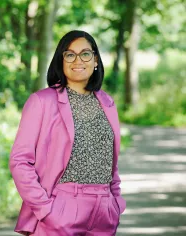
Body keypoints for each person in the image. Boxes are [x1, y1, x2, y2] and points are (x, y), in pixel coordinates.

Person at [9, 30, 126, 236]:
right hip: (60, 207)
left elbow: (110, 160)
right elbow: (20, 161)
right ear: (61, 61)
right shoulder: (42, 102)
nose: (77, 60)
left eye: (85, 54)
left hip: (104, 211)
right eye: (70, 54)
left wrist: (116, 203)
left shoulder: (108, 103)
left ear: (95, 60)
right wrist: (45, 209)